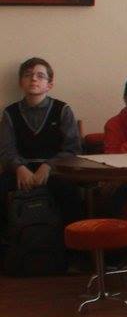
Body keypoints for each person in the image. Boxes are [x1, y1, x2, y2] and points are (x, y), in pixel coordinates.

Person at [0, 56, 83, 226]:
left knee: (68, 190)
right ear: (20, 82)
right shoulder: (10, 113)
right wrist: (19, 167)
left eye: (40, 75)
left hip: (56, 169)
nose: (33, 79)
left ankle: (71, 238)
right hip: (21, 169)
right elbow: (6, 150)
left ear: (49, 84)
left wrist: (49, 165)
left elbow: (73, 148)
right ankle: (9, 240)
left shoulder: (63, 110)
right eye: (28, 75)